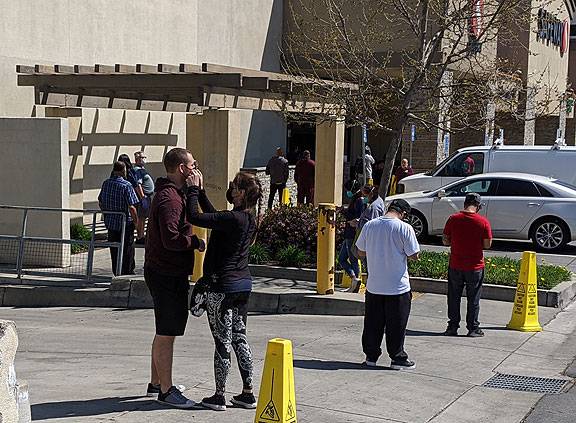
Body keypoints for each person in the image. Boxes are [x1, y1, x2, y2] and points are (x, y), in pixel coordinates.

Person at [186, 169, 263, 412]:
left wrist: (190, 191)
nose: (231, 190)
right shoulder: (247, 218)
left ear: (241, 193)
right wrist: (201, 192)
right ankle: (248, 393)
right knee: (240, 337)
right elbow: (215, 216)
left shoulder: (233, 219)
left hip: (222, 287)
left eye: (234, 187)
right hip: (242, 286)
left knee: (222, 340)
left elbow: (196, 217)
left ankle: (219, 395)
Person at [144, 147, 206, 408]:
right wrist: (194, 242)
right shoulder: (170, 199)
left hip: (165, 270)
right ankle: (167, 392)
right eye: (193, 165)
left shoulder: (173, 194)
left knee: (163, 330)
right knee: (167, 332)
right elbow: (171, 238)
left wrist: (196, 191)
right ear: (182, 168)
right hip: (166, 272)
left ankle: (157, 382)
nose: (196, 169)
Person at [355, 199, 420, 369]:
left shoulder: (370, 225)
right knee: (396, 324)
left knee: (372, 323)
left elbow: (360, 252)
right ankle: (397, 358)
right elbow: (414, 255)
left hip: (374, 286)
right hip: (398, 287)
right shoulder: (405, 228)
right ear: (404, 214)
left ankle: (371, 356)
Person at [442, 193, 492, 337]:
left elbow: (445, 240)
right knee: (473, 298)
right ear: (478, 206)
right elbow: (487, 244)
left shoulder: (453, 219)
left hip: (456, 265)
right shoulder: (483, 222)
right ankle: (473, 328)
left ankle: (452, 327)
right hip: (475, 267)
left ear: (465, 204)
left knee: (453, 297)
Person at [98, 161, 139, 276]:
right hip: (125, 223)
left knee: (114, 249)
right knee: (127, 248)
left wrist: (106, 214)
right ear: (123, 170)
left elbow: (100, 201)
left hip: (111, 223)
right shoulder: (126, 185)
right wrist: (136, 223)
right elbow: (132, 206)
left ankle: (116, 271)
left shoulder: (106, 183)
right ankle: (127, 272)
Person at [339, 187, 368, 293]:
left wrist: (344, 212)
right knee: (342, 258)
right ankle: (354, 279)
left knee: (353, 259)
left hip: (352, 234)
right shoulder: (355, 200)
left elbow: (357, 217)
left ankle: (355, 282)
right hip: (348, 233)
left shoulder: (359, 200)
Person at [133, 151, 155, 244]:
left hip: (147, 196)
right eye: (142, 157)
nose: (144, 159)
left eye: (144, 157)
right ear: (137, 159)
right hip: (143, 197)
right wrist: (143, 198)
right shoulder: (137, 170)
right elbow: (138, 185)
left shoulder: (142, 169)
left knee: (143, 218)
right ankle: (140, 237)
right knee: (141, 218)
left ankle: (141, 235)